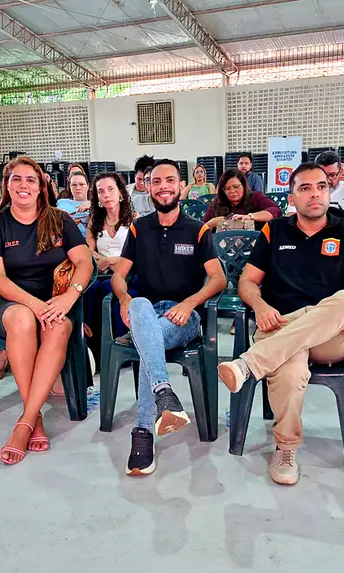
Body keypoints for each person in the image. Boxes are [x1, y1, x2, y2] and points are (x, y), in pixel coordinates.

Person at [216, 163, 344, 485]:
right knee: (290, 367)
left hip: (331, 336)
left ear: (329, 192)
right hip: (278, 325)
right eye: (305, 188)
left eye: (321, 187)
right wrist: (260, 305)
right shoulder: (274, 230)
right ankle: (286, 448)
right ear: (291, 198)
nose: (315, 194)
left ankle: (249, 364)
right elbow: (247, 283)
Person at [112, 159, 226, 476]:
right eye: (156, 181)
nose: (163, 186)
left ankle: (142, 431)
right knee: (138, 306)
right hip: (147, 311)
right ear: (148, 187)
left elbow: (218, 279)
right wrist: (123, 297)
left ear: (180, 186)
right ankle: (164, 393)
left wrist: (190, 303)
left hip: (183, 317)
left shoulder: (197, 229)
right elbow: (119, 276)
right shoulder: (139, 228)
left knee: (147, 339)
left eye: (170, 180)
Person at [0, 157, 93, 466]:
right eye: (16, 179)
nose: (24, 185)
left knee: (58, 326)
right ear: (6, 186)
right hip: (8, 302)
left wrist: (70, 296)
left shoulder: (60, 220)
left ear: (41, 186)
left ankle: (28, 419)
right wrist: (33, 304)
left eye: (31, 180)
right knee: (22, 319)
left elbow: (84, 262)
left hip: (55, 300)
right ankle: (34, 417)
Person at [84, 172, 136, 340]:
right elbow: (88, 250)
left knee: (107, 288)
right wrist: (102, 261)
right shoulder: (94, 222)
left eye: (110, 189)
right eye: (101, 191)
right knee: (91, 288)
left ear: (120, 192)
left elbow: (138, 254)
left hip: (128, 273)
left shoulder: (135, 220)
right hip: (101, 272)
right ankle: (91, 340)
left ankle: (117, 340)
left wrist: (110, 260)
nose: (106, 194)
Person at [203, 169, 281, 231]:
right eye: (227, 188)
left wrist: (250, 216)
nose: (232, 191)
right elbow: (202, 228)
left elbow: (275, 211)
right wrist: (212, 223)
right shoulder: (217, 202)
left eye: (236, 186)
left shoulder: (256, 197)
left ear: (244, 185)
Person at [55, 170, 91, 235]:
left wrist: (91, 205)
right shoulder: (61, 202)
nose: (78, 188)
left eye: (81, 184)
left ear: (88, 186)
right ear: (70, 187)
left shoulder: (95, 204)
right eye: (74, 185)